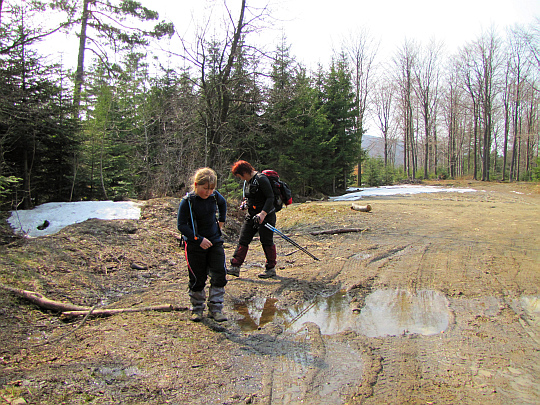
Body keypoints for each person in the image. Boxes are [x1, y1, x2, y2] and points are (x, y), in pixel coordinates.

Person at [177, 168, 228, 322]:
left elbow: (223, 203)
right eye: (205, 189)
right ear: (196, 185)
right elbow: (181, 225)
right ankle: (197, 308)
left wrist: (221, 222)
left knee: (219, 273)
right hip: (194, 245)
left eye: (211, 189)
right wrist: (198, 239)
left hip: (215, 241)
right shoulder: (187, 201)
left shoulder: (214, 196)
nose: (208, 192)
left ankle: (216, 308)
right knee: (197, 277)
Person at [229, 160, 277, 279]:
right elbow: (251, 197)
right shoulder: (248, 182)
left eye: (240, 176)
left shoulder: (261, 179)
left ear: (245, 172)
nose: (241, 179)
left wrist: (263, 214)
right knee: (243, 239)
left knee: (266, 241)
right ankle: (235, 267)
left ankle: (271, 269)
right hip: (251, 216)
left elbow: (270, 198)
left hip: (266, 216)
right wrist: (245, 204)